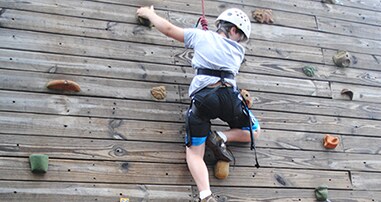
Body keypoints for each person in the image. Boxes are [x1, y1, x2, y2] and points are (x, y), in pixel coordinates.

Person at [137, 6, 260, 202]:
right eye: (240, 36)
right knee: (255, 130)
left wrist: (149, 13)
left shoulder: (200, 37)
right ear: (234, 31)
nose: (239, 41)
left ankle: (206, 195)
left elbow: (169, 29)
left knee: (194, 153)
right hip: (229, 97)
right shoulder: (238, 51)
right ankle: (220, 137)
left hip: (204, 98)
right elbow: (217, 47)